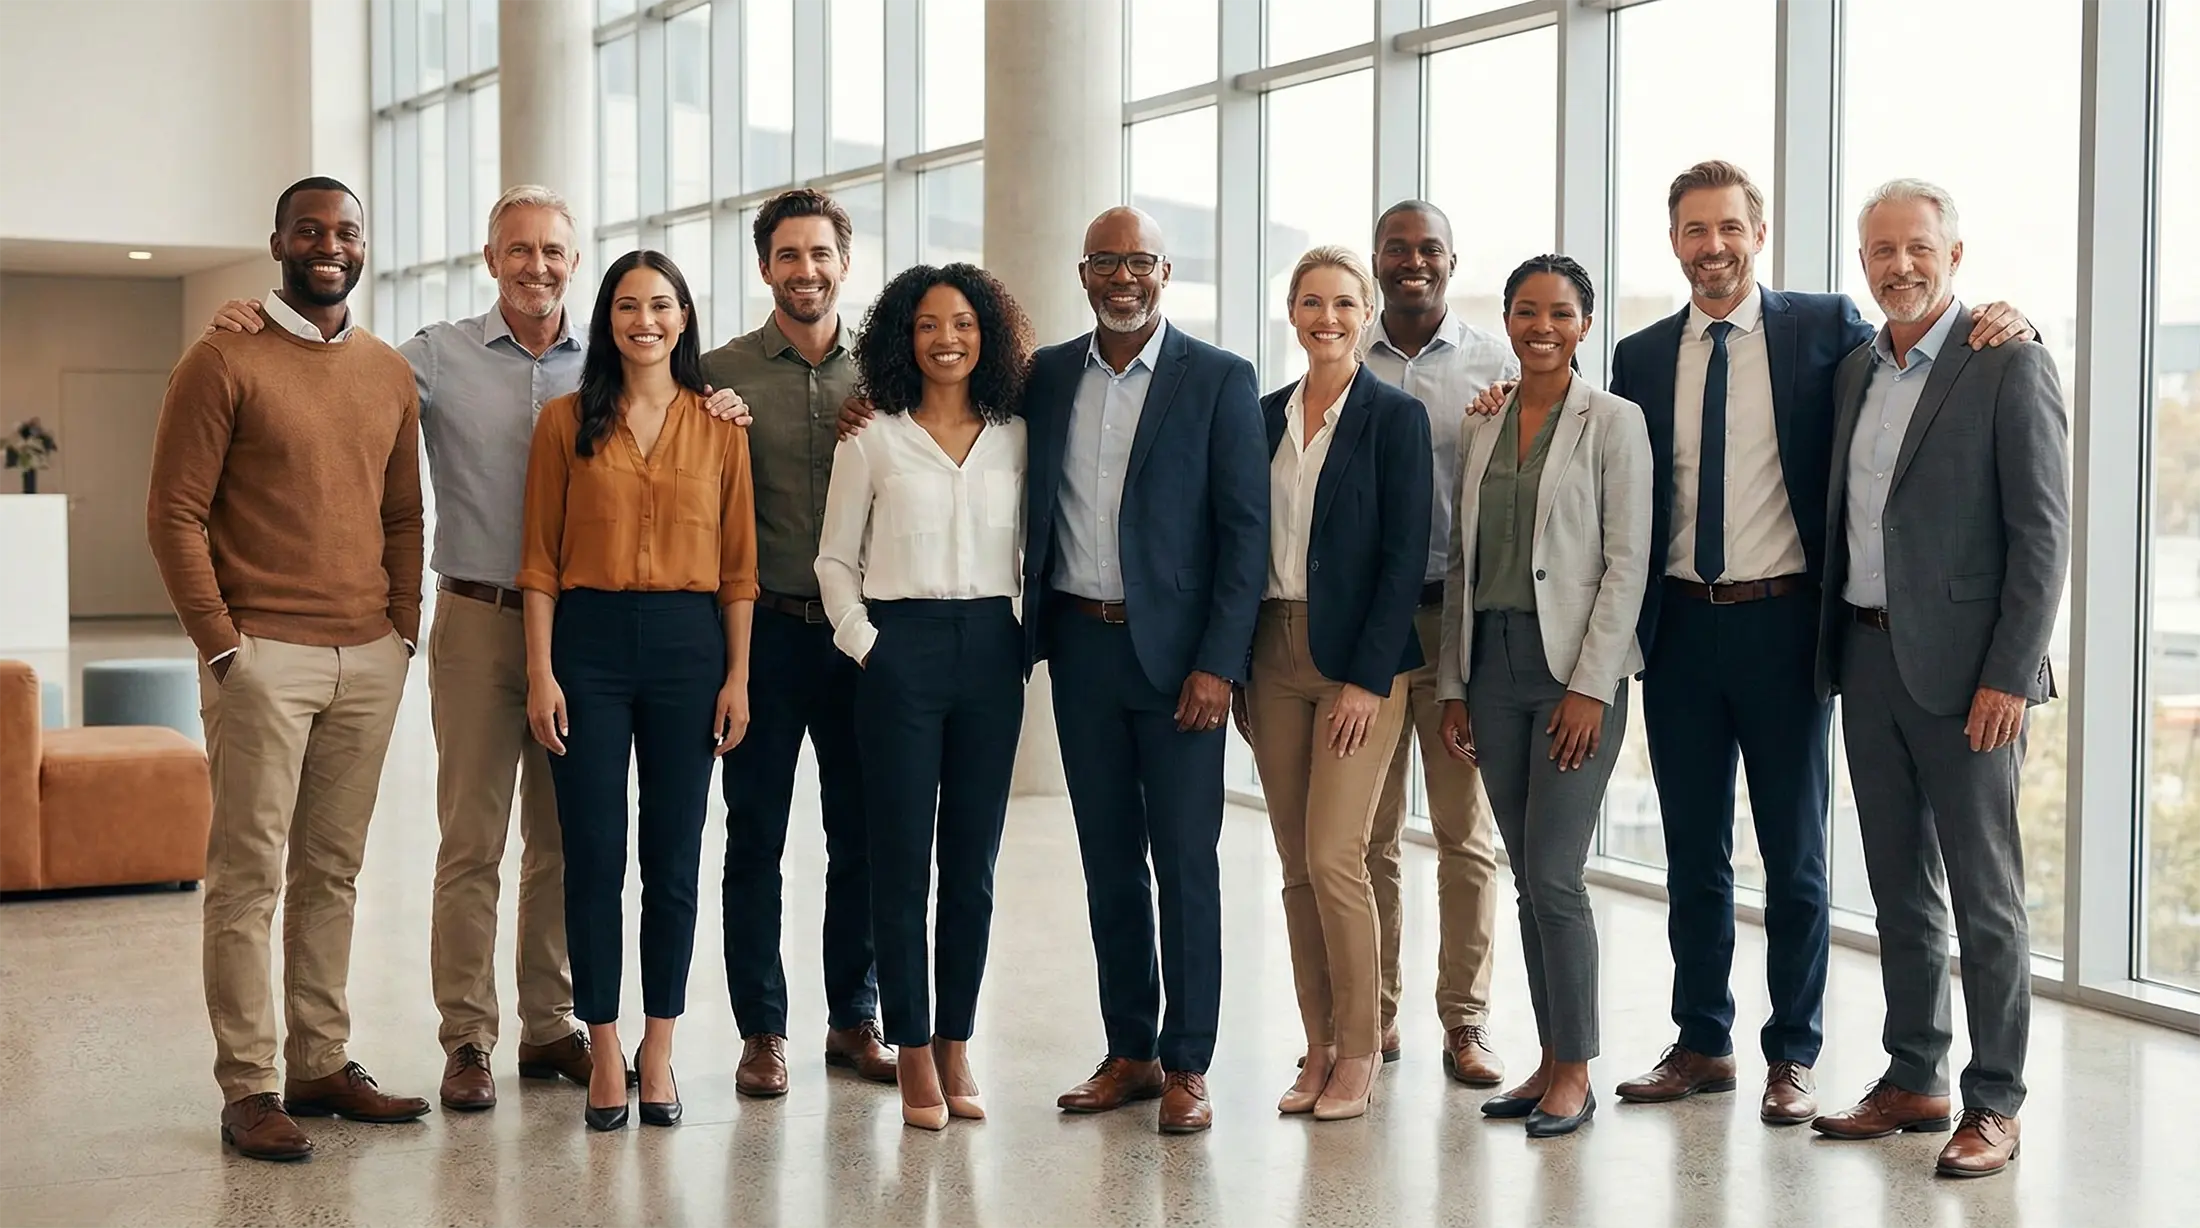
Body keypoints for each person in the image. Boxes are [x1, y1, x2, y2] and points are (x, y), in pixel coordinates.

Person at [1469, 160, 2031, 1124]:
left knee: (1794, 851)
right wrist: (1493, 402)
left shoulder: (1826, 330)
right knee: (1694, 847)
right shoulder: (1641, 358)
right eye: (1694, 230)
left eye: (1729, 227)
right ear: (1675, 241)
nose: (1713, 247)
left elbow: (1922, 333)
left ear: (1757, 235)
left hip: (1786, 628)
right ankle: (1702, 1041)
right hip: (1680, 628)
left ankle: (1793, 1051)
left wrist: (2002, 315)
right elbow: (1579, 440)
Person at [199, 188, 748, 1112]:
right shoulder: (434, 356)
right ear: (489, 259)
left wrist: (716, 397)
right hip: (478, 620)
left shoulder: (613, 360)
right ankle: (468, 1038)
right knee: (471, 841)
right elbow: (333, 368)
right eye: (519, 250)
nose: (538, 266)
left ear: (577, 263)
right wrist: (256, 323)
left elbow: (684, 437)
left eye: (555, 252)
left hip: (584, 629)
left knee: (567, 842)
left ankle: (551, 1025)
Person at [149, 176, 430, 1162]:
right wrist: (223, 645)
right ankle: (249, 1085)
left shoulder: (389, 372)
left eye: (346, 230)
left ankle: (321, 1058)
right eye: (310, 228)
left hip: (369, 660)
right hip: (263, 656)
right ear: (278, 240)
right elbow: (175, 512)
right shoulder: (221, 359)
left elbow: (404, 515)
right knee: (247, 874)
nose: (329, 244)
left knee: (333, 871)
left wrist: (404, 629)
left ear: (364, 245)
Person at [1809, 179, 2068, 1179]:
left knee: (1984, 893)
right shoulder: (1854, 372)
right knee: (1898, 889)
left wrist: (2009, 673)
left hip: (1970, 679)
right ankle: (1913, 1073)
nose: (1898, 265)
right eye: (1880, 250)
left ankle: (1993, 1099)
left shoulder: (2007, 362)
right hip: (1865, 659)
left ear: (1954, 255)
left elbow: (2039, 537)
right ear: (1861, 261)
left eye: (1917, 247)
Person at [1016, 207, 1267, 1136]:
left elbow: (1247, 536)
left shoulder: (1218, 379)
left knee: (1186, 866)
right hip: (1080, 649)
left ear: (1166, 271)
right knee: (1107, 864)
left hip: (1179, 667)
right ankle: (1131, 1052)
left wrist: (1218, 665)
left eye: (1141, 262)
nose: (1124, 277)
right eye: (1106, 262)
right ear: (1084, 274)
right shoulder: (1045, 378)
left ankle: (1189, 1063)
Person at [517, 249, 759, 1132]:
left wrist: (737, 675)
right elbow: (539, 562)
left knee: (675, 859)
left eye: (661, 305)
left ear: (684, 318)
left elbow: (741, 570)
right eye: (626, 305)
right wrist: (541, 672)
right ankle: (605, 1044)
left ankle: (660, 1044)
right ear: (608, 319)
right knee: (593, 854)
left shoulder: (721, 426)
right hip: (587, 646)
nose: (644, 320)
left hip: (692, 651)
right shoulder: (562, 424)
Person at [815, 263, 1034, 1130]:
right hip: (897, 650)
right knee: (900, 860)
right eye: (929, 325)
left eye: (965, 323)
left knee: (972, 867)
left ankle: (954, 1041)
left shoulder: (1017, 434)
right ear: (904, 337)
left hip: (990, 651)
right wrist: (870, 647)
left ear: (990, 335)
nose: (948, 338)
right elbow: (835, 560)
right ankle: (908, 1044)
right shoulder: (871, 436)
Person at [1437, 255, 1651, 1139]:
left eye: (1559, 313)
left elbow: (1626, 562)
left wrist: (1592, 688)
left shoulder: (1614, 422)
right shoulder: (1483, 421)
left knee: (1556, 875)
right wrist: (1453, 685)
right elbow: (1462, 558)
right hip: (1491, 667)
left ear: (1583, 324)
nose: (1541, 327)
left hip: (1573, 677)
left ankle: (1577, 1069)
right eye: (1526, 311)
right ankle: (1548, 1056)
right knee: (1527, 876)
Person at [701, 188, 896, 1097]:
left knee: (862, 835)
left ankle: (855, 1019)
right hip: (766, 638)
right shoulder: (716, 374)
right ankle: (761, 1030)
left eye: (820, 254)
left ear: (844, 264)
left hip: (862, 642)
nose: (805, 271)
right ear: (765, 266)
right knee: (757, 840)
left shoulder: (889, 375)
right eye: (788, 255)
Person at [1243, 246, 1432, 1123]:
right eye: (1312, 301)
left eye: (1344, 304)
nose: (1328, 317)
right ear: (1291, 311)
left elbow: (1404, 559)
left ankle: (1361, 1048)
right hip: (1271, 654)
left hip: (1359, 664)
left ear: (1365, 315)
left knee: (1335, 857)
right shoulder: (1261, 417)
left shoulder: (1396, 419)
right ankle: (1315, 1044)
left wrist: (1366, 678)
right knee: (1292, 865)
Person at [1360, 200, 1515, 1084]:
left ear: (1452, 262)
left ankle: (1465, 1021)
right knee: (1371, 836)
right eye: (1396, 249)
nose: (1411, 262)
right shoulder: (1344, 361)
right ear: (1377, 259)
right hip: (1373, 627)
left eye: (1428, 250)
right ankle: (1373, 1016)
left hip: (1459, 624)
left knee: (1465, 833)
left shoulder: (1496, 364)